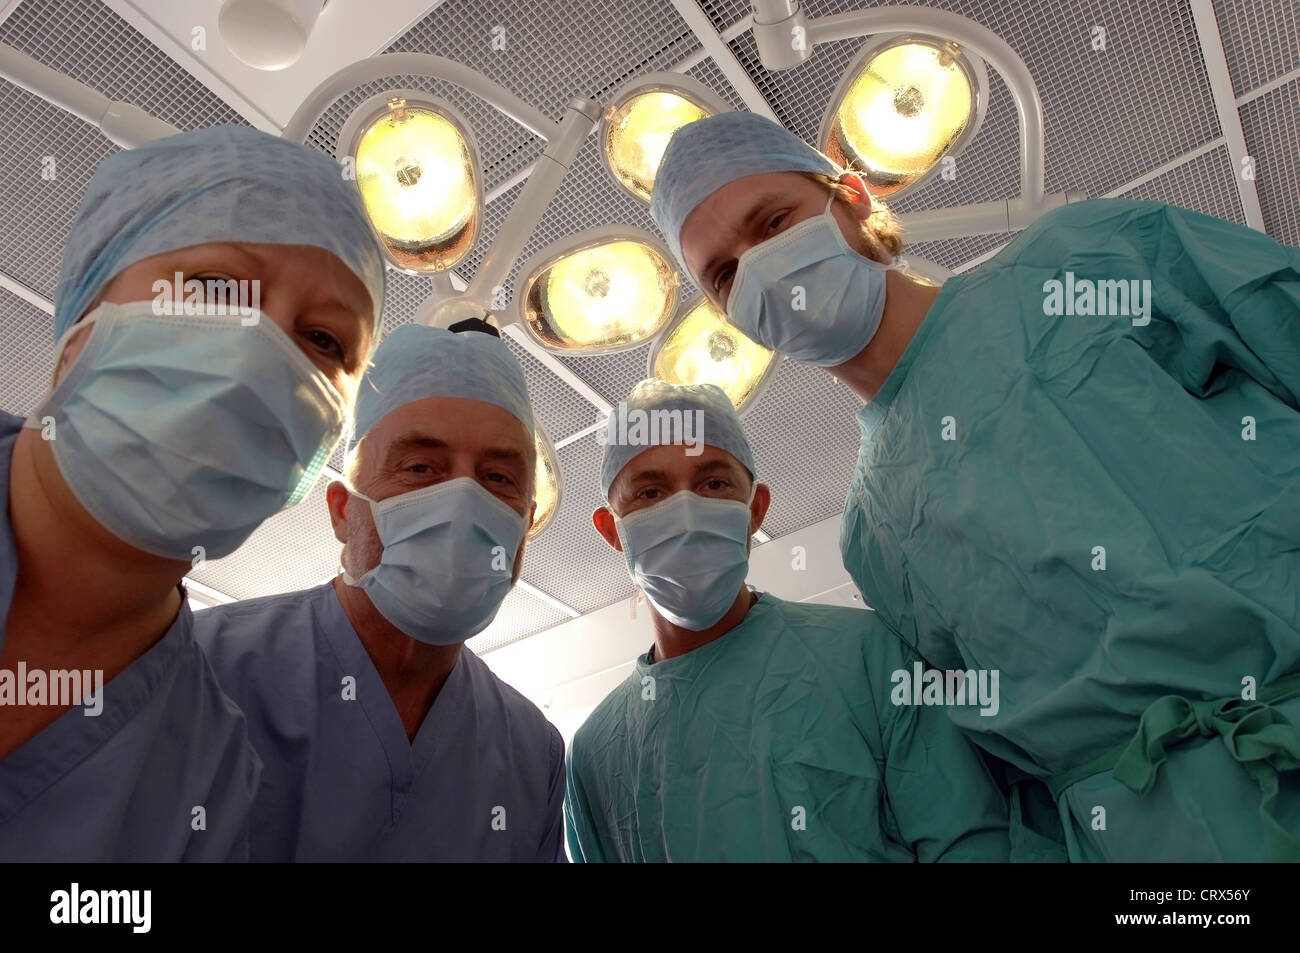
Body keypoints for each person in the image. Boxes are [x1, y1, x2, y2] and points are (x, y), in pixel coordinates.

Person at [649, 109, 1300, 861]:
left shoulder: (1077, 262)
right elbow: (997, 767)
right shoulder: (871, 532)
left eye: (772, 221)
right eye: (726, 273)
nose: (759, 268)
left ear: (853, 200)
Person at [0, 124, 386, 860]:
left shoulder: (206, 782)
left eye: (326, 341)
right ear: (82, 326)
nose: (257, 351)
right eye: (215, 288)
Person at [564, 378, 1010, 862]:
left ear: (754, 509)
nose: (686, 511)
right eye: (650, 492)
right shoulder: (594, 752)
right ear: (613, 531)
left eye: (714, 483)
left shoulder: (870, 657)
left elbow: (970, 843)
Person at [194, 323, 566, 862]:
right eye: (420, 468)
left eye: (499, 478)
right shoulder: (201, 668)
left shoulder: (531, 750)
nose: (462, 499)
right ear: (343, 510)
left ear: (525, 527)